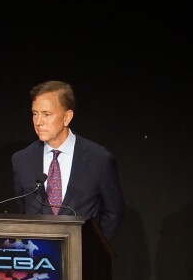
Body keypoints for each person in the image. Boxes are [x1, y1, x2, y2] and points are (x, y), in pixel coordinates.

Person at [12, 80, 124, 241]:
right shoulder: (22, 159)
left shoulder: (98, 158)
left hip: (84, 257)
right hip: (37, 256)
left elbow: (114, 211)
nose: (38, 122)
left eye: (46, 114)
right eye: (35, 113)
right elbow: (22, 208)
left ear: (67, 117)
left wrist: (94, 248)